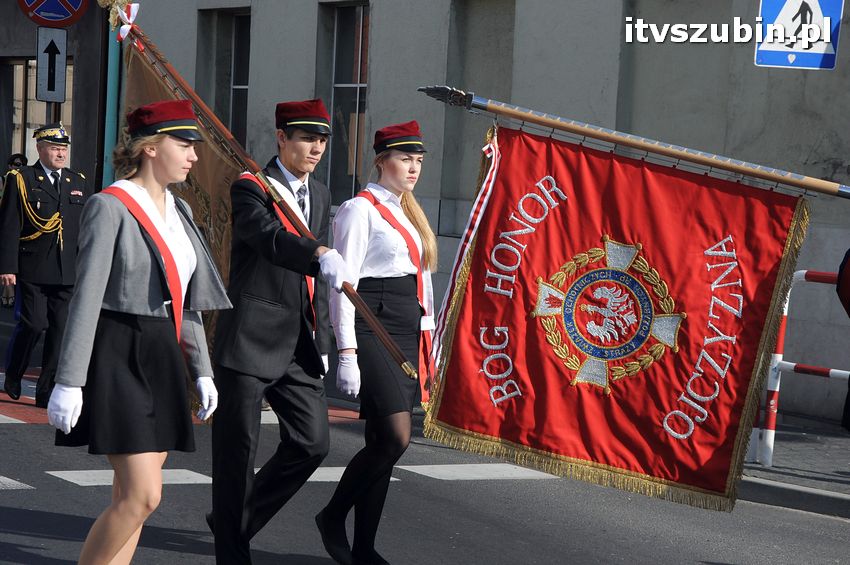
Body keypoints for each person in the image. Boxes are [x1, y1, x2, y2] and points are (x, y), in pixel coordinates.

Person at [45, 99, 231, 564]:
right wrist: (69, 380)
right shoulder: (110, 206)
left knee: (130, 500)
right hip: (116, 351)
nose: (193, 155)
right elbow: (86, 297)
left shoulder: (180, 210)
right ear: (150, 148)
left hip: (161, 353)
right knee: (144, 496)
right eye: (183, 144)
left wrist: (202, 370)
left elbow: (183, 297)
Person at [209, 98, 352, 564]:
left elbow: (315, 284)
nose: (316, 148)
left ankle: (237, 520)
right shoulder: (252, 187)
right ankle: (232, 550)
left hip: (298, 341)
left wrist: (326, 339)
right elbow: (268, 239)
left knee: (313, 443)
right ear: (281, 139)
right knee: (237, 454)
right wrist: (316, 253)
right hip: (251, 334)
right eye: (307, 138)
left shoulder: (323, 193)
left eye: (323, 140)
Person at [317, 121, 437, 565]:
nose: (413, 168)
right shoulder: (359, 209)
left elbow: (422, 282)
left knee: (381, 442)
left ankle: (364, 546)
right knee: (395, 437)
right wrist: (345, 352)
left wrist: (430, 342)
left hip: (406, 326)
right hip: (372, 323)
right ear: (381, 160)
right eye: (405, 159)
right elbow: (342, 285)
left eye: (419, 161)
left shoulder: (410, 210)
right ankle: (332, 517)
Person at [0, 124, 91, 406]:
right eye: (55, 148)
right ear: (40, 149)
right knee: (34, 324)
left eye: (64, 149)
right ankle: (14, 372)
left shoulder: (77, 181)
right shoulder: (23, 179)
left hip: (67, 270)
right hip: (33, 268)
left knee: (60, 331)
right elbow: (9, 226)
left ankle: (46, 389)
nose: (61, 154)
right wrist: (7, 267)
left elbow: (84, 229)